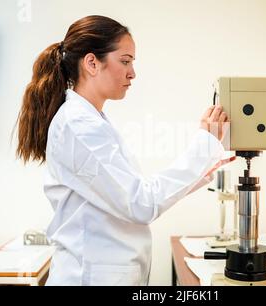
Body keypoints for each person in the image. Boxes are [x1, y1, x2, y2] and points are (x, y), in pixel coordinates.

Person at [15, 15, 233, 286]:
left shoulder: (90, 121)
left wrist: (206, 159)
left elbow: (134, 197)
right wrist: (203, 146)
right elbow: (140, 203)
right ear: (92, 63)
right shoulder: (78, 125)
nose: (132, 73)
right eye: (125, 61)